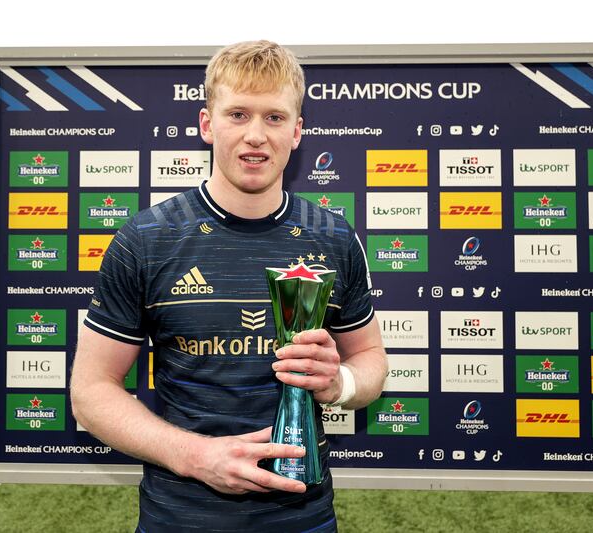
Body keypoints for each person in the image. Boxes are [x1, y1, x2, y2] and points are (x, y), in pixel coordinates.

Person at [71, 40, 388, 531]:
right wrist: (195, 456)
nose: (255, 135)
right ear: (207, 124)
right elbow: (91, 391)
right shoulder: (146, 239)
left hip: (304, 518)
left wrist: (338, 383)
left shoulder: (334, 237)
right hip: (179, 518)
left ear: (297, 131)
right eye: (238, 114)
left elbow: (370, 360)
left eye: (275, 117)